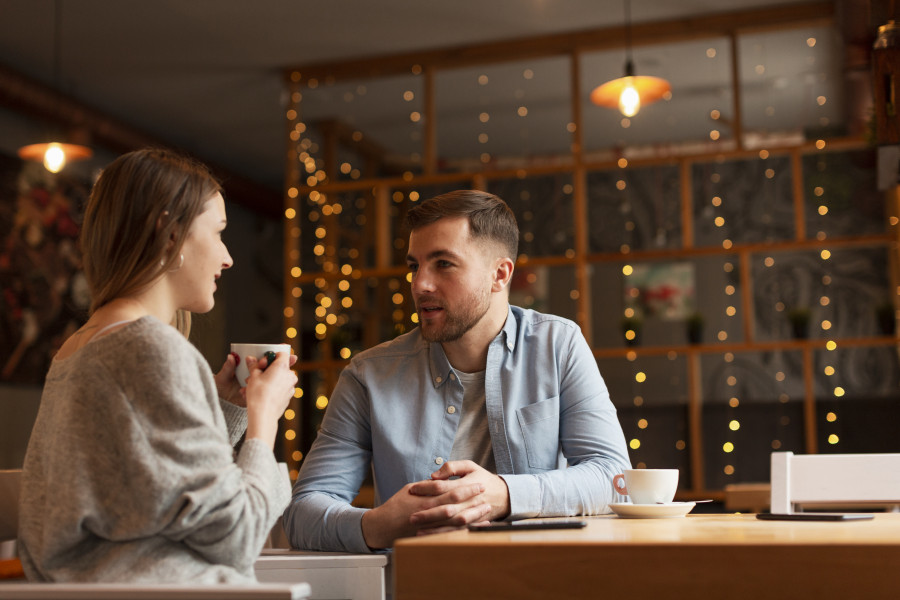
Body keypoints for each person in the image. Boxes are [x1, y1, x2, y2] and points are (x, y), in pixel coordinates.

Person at [283, 189, 631, 552]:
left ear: (500, 274)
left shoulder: (557, 346)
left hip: (536, 581)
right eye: (414, 266)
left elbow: (614, 477)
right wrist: (381, 523)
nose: (419, 285)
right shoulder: (368, 375)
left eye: (443, 264)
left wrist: (505, 494)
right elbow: (302, 514)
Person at [17, 148, 298, 583]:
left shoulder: (79, 346)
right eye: (219, 232)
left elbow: (151, 488)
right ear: (170, 233)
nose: (228, 258)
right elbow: (236, 538)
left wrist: (225, 408)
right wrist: (265, 420)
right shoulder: (150, 347)